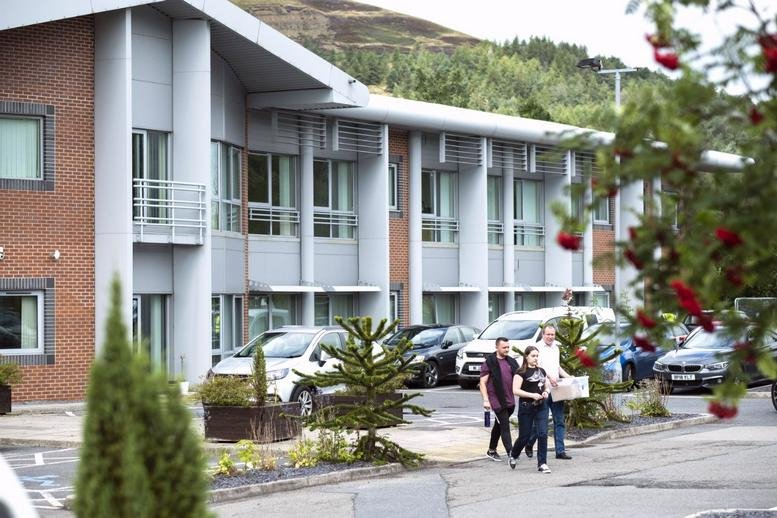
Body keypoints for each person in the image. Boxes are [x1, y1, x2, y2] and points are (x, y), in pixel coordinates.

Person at [525, 324, 574, 460]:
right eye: (548, 334)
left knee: (559, 420)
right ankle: (529, 443)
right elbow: (537, 367)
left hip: (557, 389)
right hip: (544, 389)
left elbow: (557, 367)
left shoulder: (555, 348)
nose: (551, 337)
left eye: (553, 334)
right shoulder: (537, 348)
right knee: (542, 421)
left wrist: (569, 377)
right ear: (543, 334)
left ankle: (560, 451)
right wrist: (549, 377)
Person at [508, 345, 551, 473]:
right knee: (524, 437)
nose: (535, 358)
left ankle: (542, 463)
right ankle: (514, 454)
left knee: (542, 433)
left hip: (542, 406)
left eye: (537, 356)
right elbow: (515, 390)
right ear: (526, 357)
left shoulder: (542, 371)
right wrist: (532, 395)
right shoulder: (521, 372)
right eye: (533, 356)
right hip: (526, 406)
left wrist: (546, 392)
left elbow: (546, 386)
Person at [479, 336, 518, 462]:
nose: (507, 349)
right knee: (505, 425)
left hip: (509, 399)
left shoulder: (511, 361)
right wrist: (486, 399)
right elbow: (482, 383)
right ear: (497, 347)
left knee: (499, 425)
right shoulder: (489, 362)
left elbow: (519, 378)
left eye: (508, 347)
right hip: (496, 399)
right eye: (504, 347)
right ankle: (511, 454)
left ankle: (491, 450)